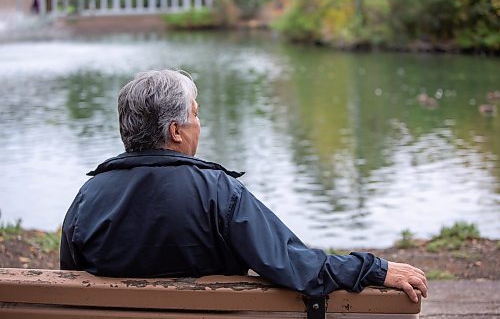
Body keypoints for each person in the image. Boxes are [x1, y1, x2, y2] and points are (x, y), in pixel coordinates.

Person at [60, 69, 428, 302]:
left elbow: (70, 282)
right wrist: (375, 269)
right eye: (196, 114)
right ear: (175, 131)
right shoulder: (217, 192)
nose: (198, 125)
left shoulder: (88, 197)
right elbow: (293, 263)